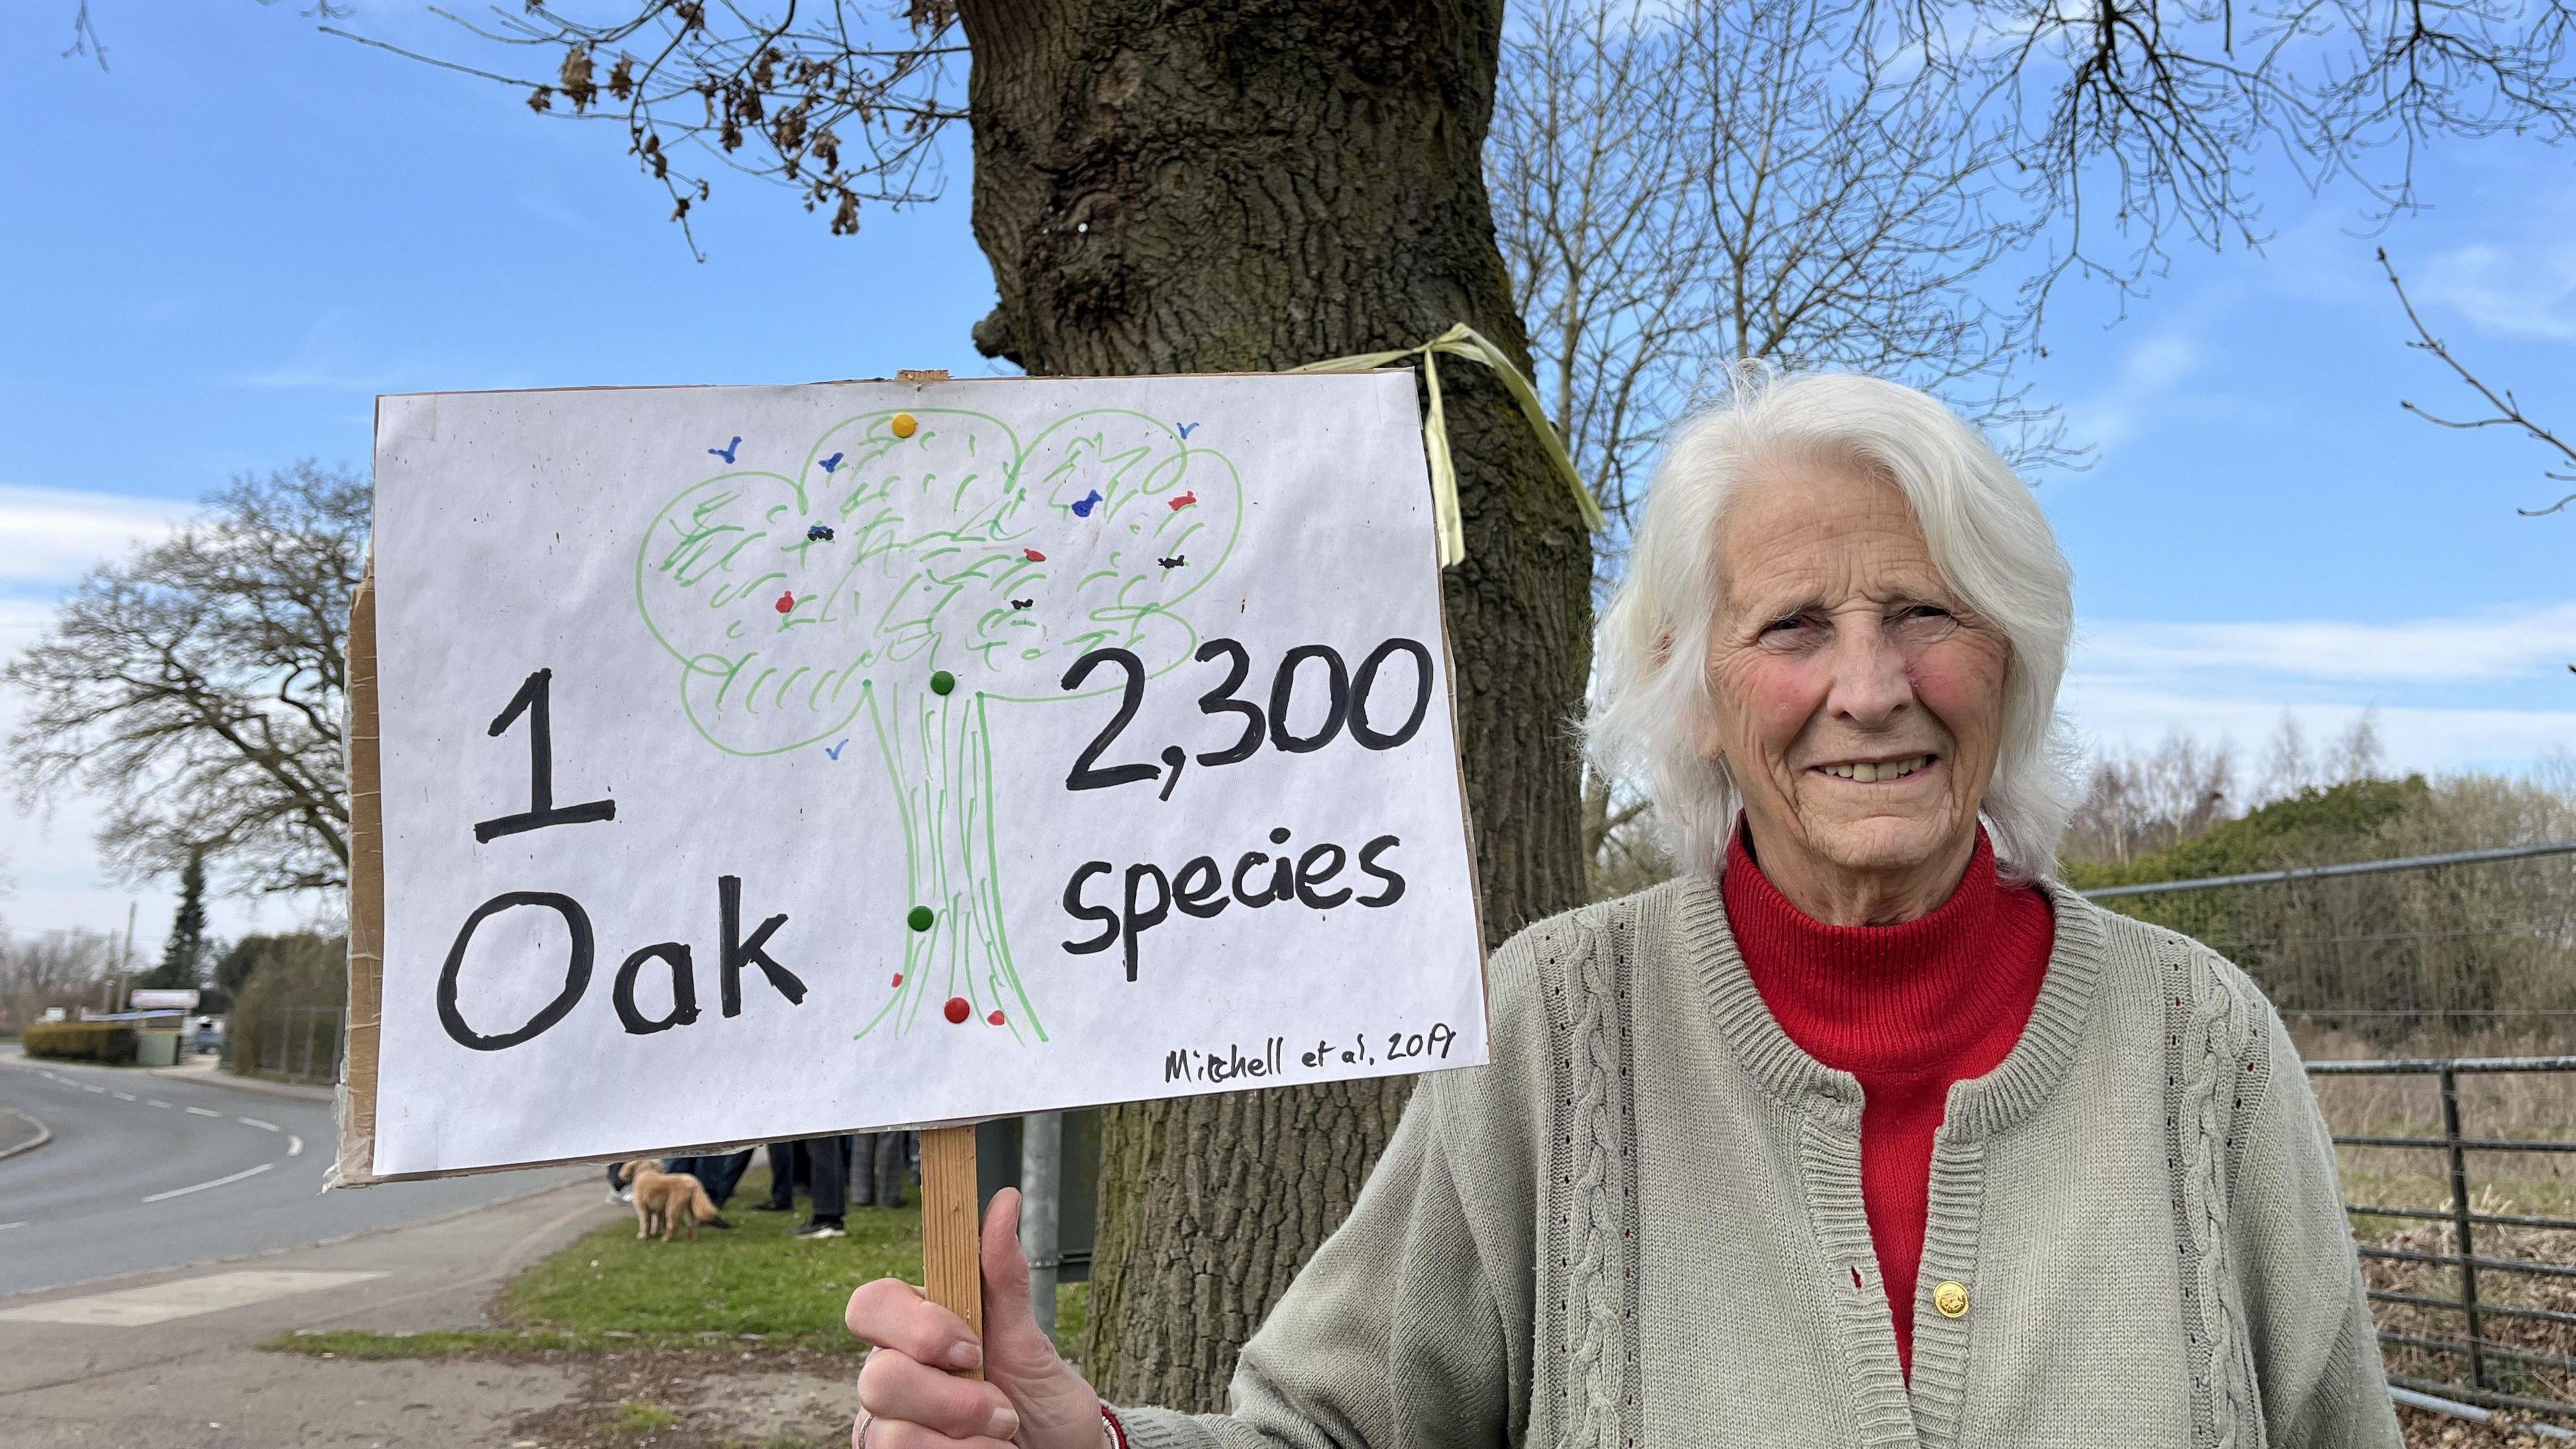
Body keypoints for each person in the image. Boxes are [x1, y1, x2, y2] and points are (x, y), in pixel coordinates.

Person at [841, 369, 2402, 1447]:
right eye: (1794, 626)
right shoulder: (1554, 1034)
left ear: (2011, 657)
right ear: (1697, 697)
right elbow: (1331, 1434)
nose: (1870, 688)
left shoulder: (2207, 1051)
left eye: (1926, 612)